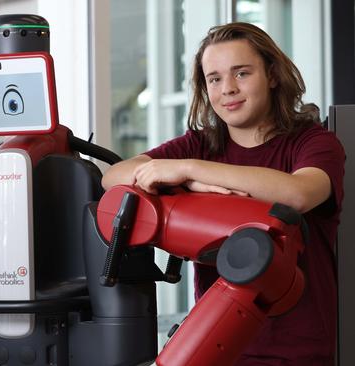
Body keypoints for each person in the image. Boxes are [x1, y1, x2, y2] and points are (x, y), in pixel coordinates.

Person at [102, 22, 344, 365]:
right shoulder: (200, 144)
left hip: (296, 351)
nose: (228, 88)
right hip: (216, 347)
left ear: (272, 75)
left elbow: (299, 193)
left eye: (242, 73)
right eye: (214, 79)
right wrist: (190, 185)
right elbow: (114, 177)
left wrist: (189, 171)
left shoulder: (313, 142)